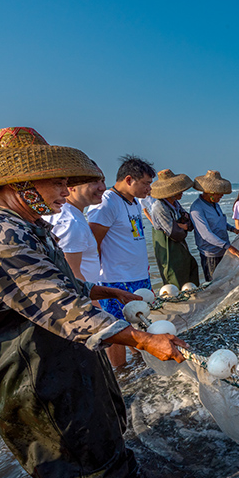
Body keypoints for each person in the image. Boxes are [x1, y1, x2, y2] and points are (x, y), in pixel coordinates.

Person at [0, 127, 186, 478]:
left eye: (66, 180)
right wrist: (142, 340)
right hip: (33, 375)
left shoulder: (29, 225)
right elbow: (60, 307)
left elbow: (60, 285)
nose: (67, 190)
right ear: (21, 184)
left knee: (106, 438)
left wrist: (106, 292)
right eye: (57, 180)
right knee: (85, 476)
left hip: (65, 360)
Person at [88, 155, 156, 368]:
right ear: (129, 179)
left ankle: (138, 361)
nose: (149, 189)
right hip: (115, 279)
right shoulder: (107, 202)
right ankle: (121, 372)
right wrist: (95, 285)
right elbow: (93, 244)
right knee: (116, 329)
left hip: (138, 275)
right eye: (146, 183)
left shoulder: (134, 201)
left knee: (138, 320)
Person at [45, 164, 105, 282]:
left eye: (103, 181)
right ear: (72, 186)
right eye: (94, 182)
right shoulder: (71, 222)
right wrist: (92, 301)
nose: (102, 187)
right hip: (78, 296)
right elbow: (72, 274)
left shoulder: (63, 212)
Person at [190, 170, 239, 281]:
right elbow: (206, 234)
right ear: (210, 192)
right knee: (214, 284)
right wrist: (230, 248)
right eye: (219, 194)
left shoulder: (215, 204)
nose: (221, 196)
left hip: (223, 250)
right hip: (211, 254)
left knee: (226, 281)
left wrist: (234, 229)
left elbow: (221, 222)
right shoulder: (197, 209)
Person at [150, 169, 200, 289]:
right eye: (178, 191)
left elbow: (189, 222)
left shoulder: (175, 203)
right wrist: (181, 225)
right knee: (173, 278)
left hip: (180, 246)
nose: (181, 193)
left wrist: (183, 225)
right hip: (168, 248)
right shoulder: (159, 206)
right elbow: (174, 233)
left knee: (190, 269)